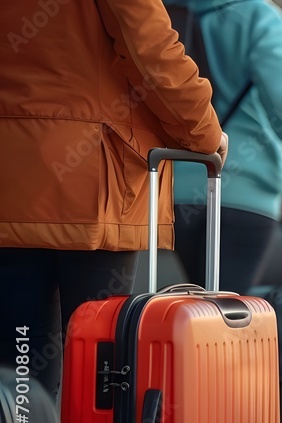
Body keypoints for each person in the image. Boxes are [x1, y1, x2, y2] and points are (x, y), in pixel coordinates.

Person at [0, 0, 227, 398]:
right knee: (99, 361)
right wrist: (206, 134)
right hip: (96, 182)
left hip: (12, 178)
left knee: (20, 362)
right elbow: (152, 50)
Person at [165, 0, 282, 294]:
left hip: (172, 186)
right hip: (244, 184)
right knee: (230, 314)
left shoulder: (159, 14)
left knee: (192, 308)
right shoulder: (257, 15)